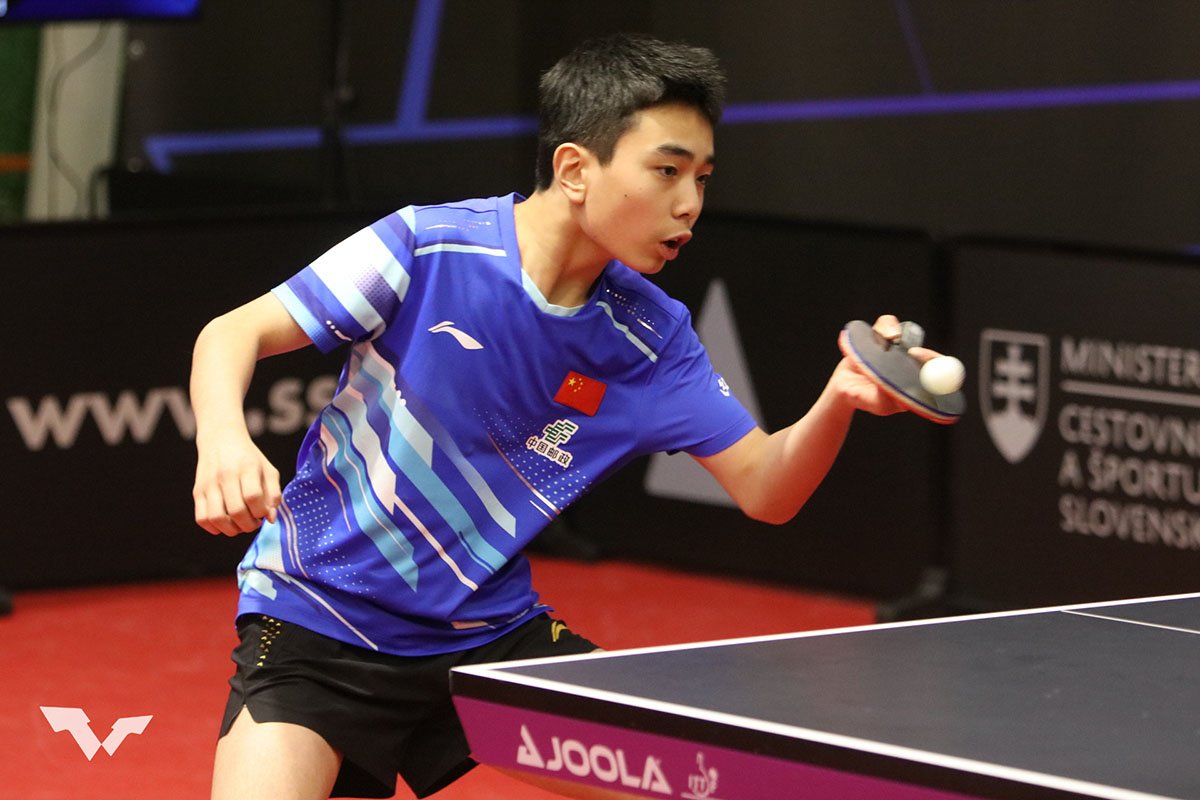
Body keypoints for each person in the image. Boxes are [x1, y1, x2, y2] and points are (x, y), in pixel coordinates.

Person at [190, 32, 931, 800]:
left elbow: (768, 489)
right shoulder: (428, 247)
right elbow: (231, 333)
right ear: (575, 169)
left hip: (486, 639)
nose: (690, 204)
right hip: (320, 621)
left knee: (709, 783)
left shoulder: (649, 337)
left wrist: (840, 398)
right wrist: (223, 440)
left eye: (702, 178)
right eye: (667, 171)